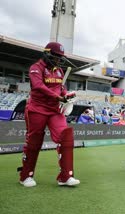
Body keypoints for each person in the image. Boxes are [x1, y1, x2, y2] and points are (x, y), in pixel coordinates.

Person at [17, 42, 80, 187]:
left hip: (54, 111)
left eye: (60, 58)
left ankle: (65, 177)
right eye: (56, 56)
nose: (58, 60)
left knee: (65, 137)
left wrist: (67, 95)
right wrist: (59, 97)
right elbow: (39, 87)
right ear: (47, 53)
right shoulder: (36, 68)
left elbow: (61, 89)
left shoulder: (60, 71)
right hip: (37, 109)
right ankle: (25, 176)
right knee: (34, 143)